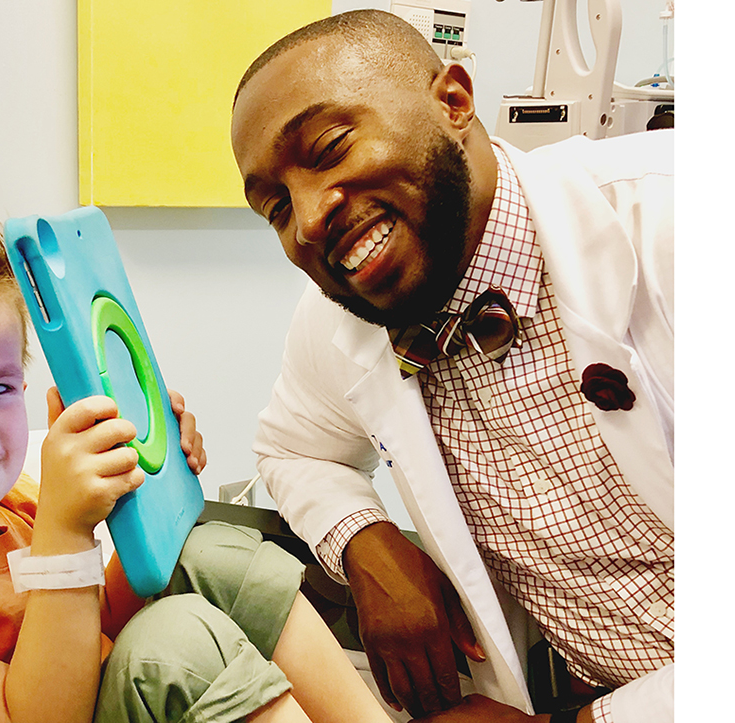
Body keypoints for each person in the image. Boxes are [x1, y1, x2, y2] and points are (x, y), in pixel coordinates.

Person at [230, 10, 673, 723]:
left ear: (455, 101)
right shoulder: (344, 314)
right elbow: (292, 446)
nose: (308, 218)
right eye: (275, 205)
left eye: (330, 146)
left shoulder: (675, 223)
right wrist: (365, 542)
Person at [0, 221, 396, 723]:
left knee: (206, 552)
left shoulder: (6, 511)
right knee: (174, 646)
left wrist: (142, 494)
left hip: (83, 696)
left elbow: (91, 629)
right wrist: (65, 533)